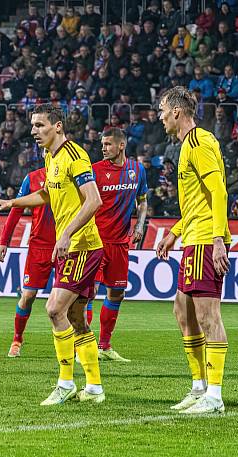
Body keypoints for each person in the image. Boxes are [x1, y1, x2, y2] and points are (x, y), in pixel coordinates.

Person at [0, 104, 106, 406]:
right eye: (33, 126)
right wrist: (10, 202)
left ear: (58, 127)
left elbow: (94, 201)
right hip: (73, 246)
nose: (34, 131)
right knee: (76, 317)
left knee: (53, 309)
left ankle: (65, 383)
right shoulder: (51, 157)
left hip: (82, 246)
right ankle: (94, 387)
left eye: (40, 125)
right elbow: (46, 195)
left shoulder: (75, 156)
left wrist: (65, 234)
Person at [155, 86, 231, 414]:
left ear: (176, 112)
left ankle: (214, 395)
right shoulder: (188, 145)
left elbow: (218, 192)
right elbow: (198, 201)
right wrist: (174, 232)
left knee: (207, 316)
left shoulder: (199, 143)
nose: (159, 117)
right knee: (181, 310)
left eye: (162, 111)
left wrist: (217, 240)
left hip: (204, 241)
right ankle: (199, 386)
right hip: (192, 238)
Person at [86, 127, 148, 362]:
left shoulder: (136, 169)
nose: (104, 148)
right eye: (103, 144)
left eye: (108, 144)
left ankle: (104, 345)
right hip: (96, 241)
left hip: (120, 243)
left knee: (116, 293)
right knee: (88, 293)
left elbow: (142, 201)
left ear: (121, 146)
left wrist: (140, 225)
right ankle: (83, 347)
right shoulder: (94, 171)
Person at [0, 167, 55, 358]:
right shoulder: (32, 178)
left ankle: (76, 345)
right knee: (28, 296)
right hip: (39, 247)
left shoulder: (71, 173)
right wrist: (4, 241)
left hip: (67, 245)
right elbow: (16, 210)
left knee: (71, 299)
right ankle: (17, 339)